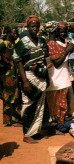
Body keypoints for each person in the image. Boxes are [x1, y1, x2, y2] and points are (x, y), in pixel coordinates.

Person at [14, 15, 49, 143]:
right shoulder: (22, 42)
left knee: (40, 105)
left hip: (41, 76)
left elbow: (46, 58)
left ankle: (35, 131)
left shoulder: (42, 41)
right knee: (28, 104)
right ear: (27, 27)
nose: (34, 28)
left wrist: (42, 68)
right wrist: (25, 81)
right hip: (28, 76)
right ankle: (27, 134)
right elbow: (19, 62)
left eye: (36, 26)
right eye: (32, 26)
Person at [45, 21, 74, 129]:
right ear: (56, 31)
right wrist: (67, 51)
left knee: (57, 106)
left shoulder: (51, 44)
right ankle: (58, 125)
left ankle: (59, 124)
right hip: (57, 80)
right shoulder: (52, 44)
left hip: (58, 80)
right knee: (58, 106)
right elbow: (56, 63)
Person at [0, 26, 22, 126]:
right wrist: (5, 64)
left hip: (15, 74)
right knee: (9, 97)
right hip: (8, 75)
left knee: (16, 97)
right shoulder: (4, 44)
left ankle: (14, 119)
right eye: (13, 33)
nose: (15, 35)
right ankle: (10, 120)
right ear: (8, 33)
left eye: (16, 33)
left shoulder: (14, 44)